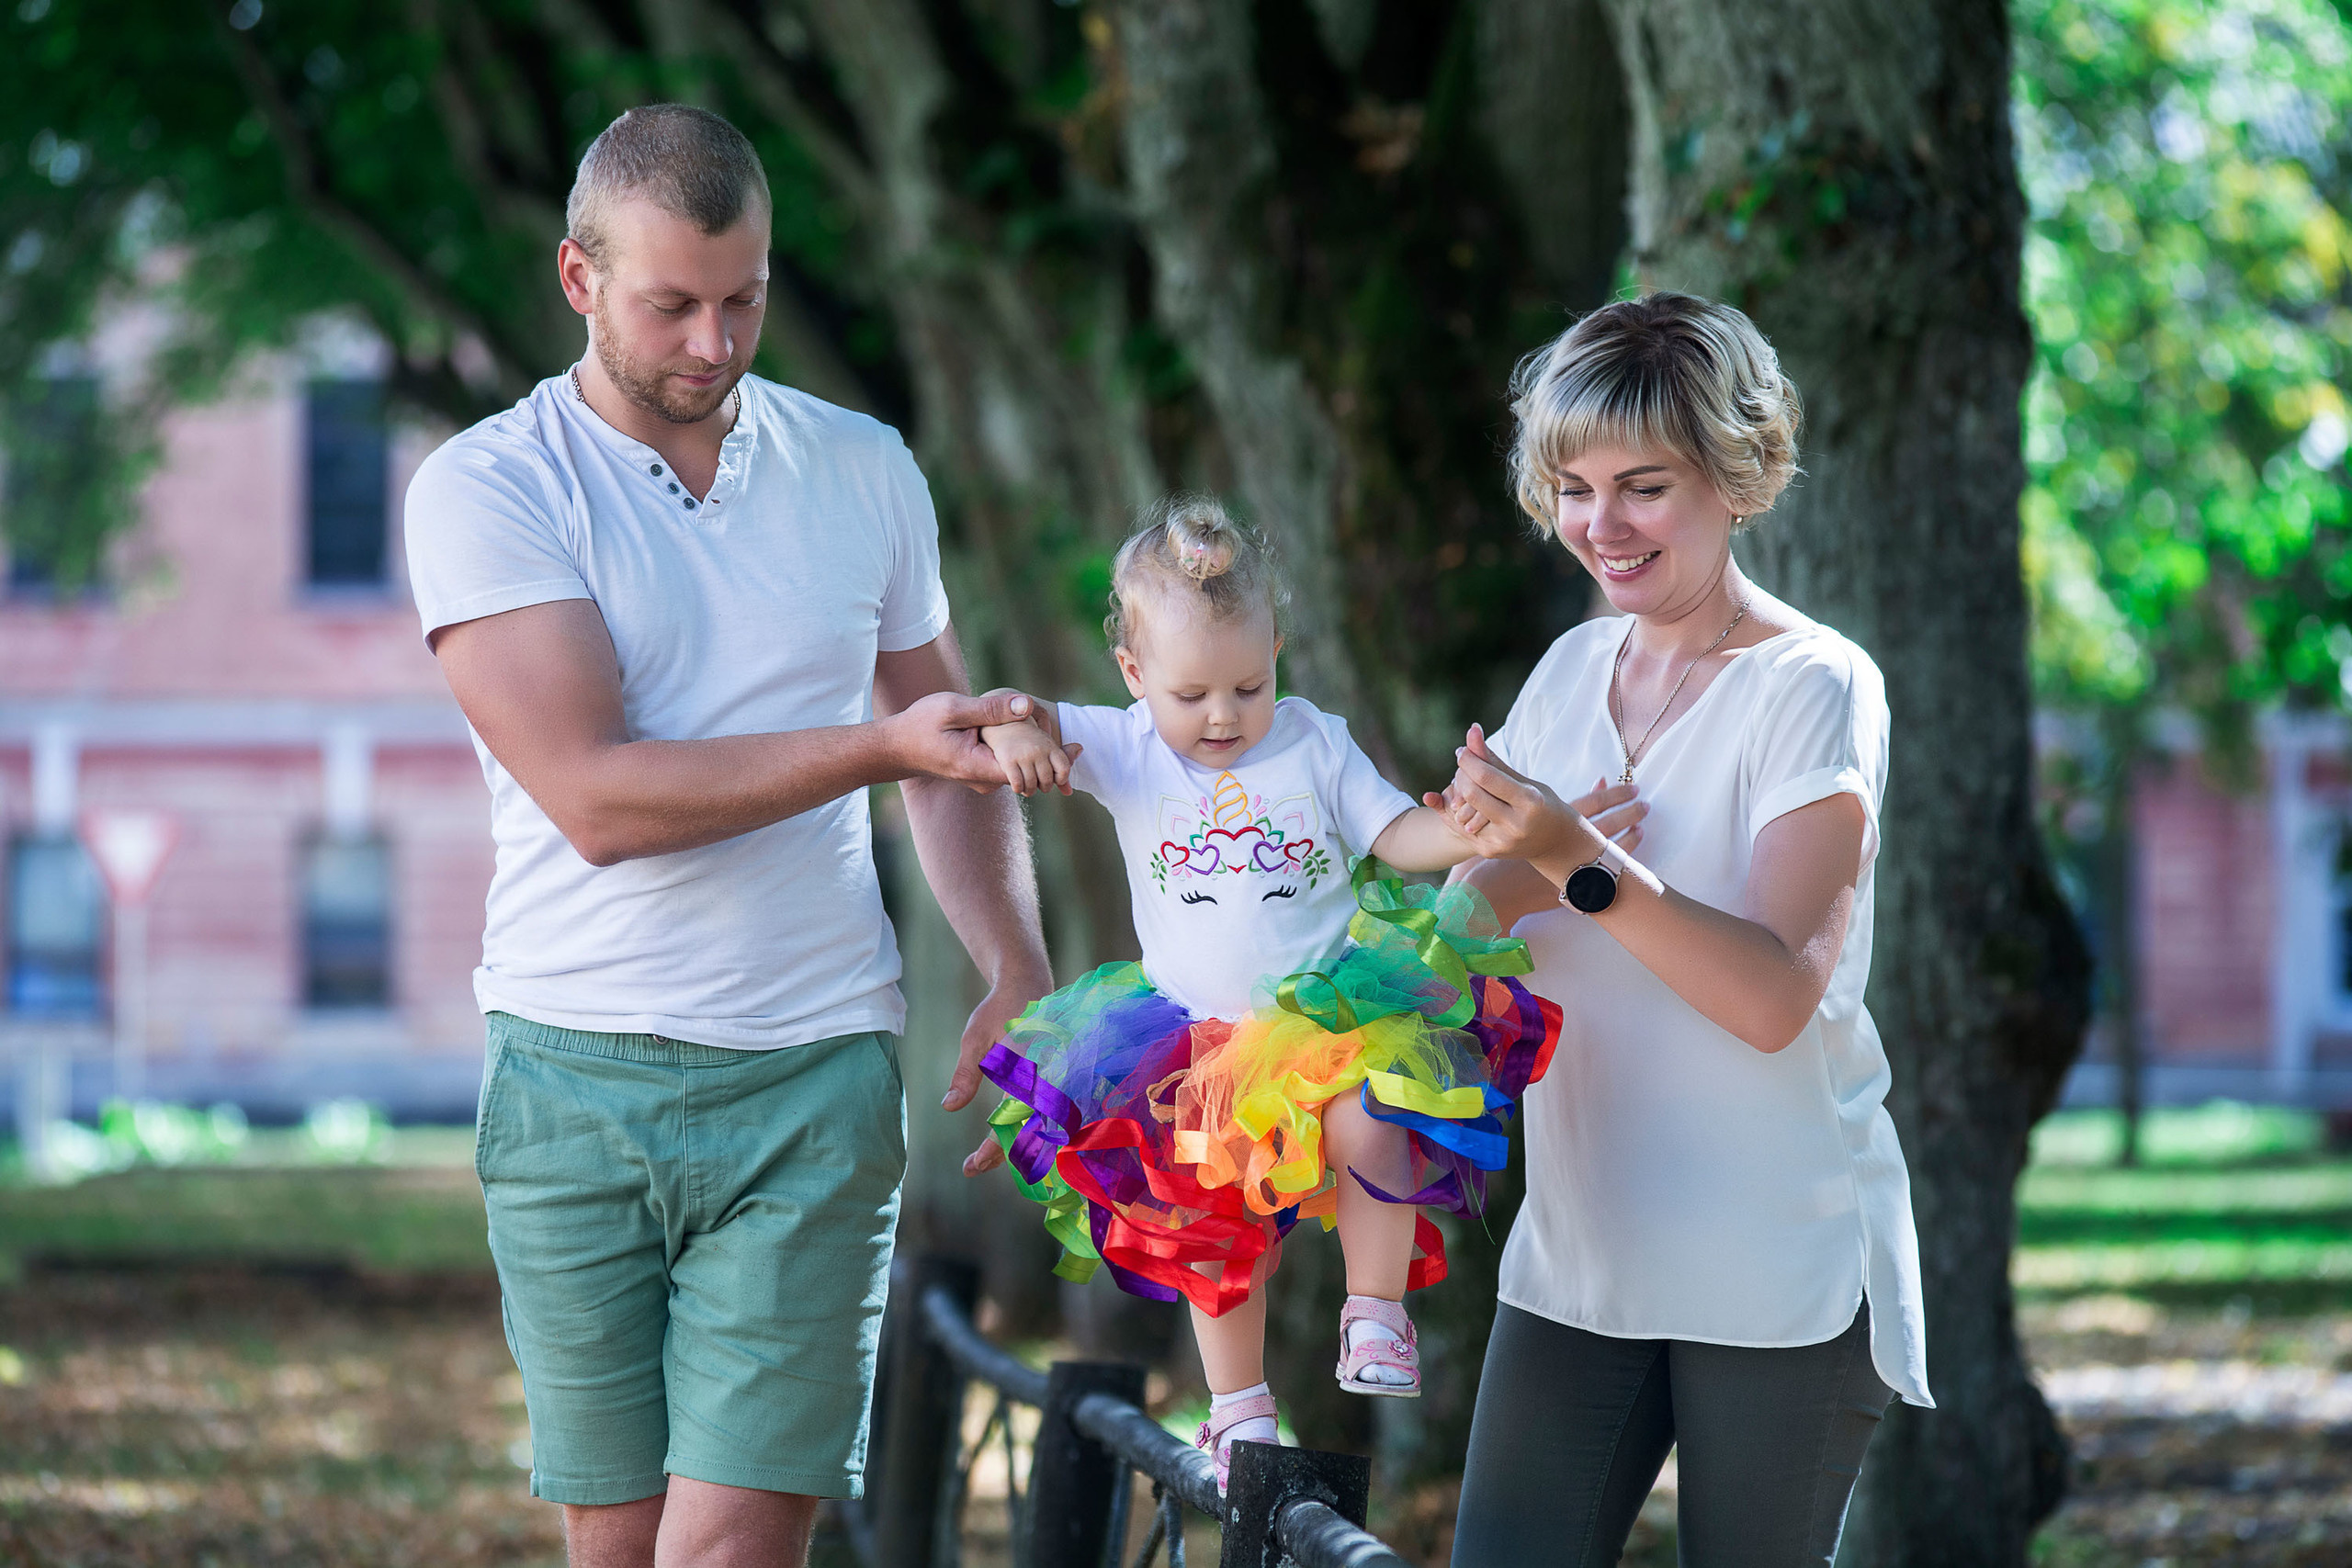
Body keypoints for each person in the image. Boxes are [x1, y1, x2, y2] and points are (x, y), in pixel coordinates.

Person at [402, 105, 1051, 1568]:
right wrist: (873, 748)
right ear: (579, 279)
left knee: (730, 1550)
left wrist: (1013, 953)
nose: (714, 340)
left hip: (811, 1071)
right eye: (672, 303)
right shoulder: (491, 486)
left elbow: (942, 738)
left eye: (744, 297)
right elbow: (598, 796)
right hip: (571, 1077)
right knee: (618, 1544)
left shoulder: (867, 468)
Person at [1437, 291, 1931, 1568]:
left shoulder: (1816, 685)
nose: (1600, 523)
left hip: (1780, 1261)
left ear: (1736, 472)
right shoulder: (1564, 672)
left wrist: (1569, 856)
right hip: (1580, 1253)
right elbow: (1483, 922)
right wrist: (1477, 883)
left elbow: (1774, 996)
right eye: (1573, 485)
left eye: (1643, 484)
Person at [965, 496, 1559, 1491]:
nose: (1223, 716)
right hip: (1189, 1046)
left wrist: (1466, 830)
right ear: (1134, 674)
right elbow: (997, 712)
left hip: (1326, 1016)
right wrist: (1017, 732)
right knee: (1211, 1230)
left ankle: (1375, 1312)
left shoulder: (1315, 742)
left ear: (1279, 646)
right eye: (1191, 693)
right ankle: (1238, 1408)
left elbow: (1392, 839)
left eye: (1249, 683)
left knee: (1376, 1117)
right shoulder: (1123, 746)